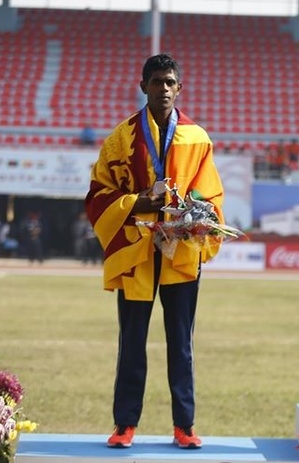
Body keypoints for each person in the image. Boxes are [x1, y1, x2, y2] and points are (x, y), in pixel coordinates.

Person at [85, 53, 225, 450]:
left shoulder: (198, 137)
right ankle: (125, 424)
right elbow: (98, 194)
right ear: (143, 86)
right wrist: (140, 202)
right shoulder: (121, 138)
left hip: (180, 253)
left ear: (179, 88)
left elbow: (210, 193)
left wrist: (192, 208)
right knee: (131, 341)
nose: (163, 89)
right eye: (156, 81)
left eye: (170, 82)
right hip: (137, 253)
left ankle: (185, 425)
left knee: (181, 342)